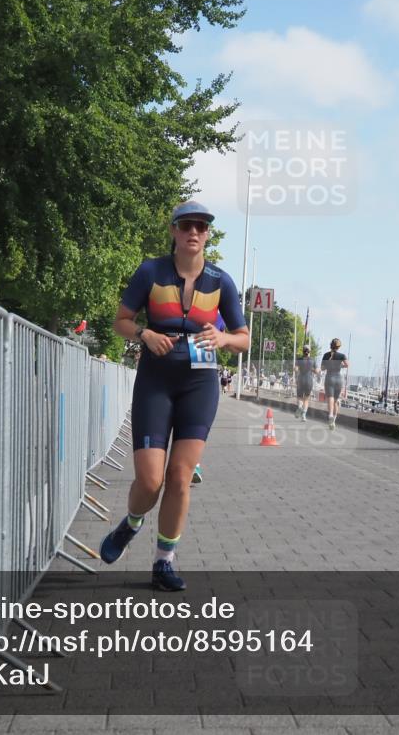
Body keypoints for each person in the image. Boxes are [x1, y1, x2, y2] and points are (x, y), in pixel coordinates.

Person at [100, 200, 250, 590]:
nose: (194, 233)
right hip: (156, 382)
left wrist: (223, 337)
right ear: (174, 231)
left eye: (201, 227)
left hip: (200, 385)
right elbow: (120, 321)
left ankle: (164, 561)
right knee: (150, 482)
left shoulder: (221, 281)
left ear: (207, 234)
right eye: (187, 226)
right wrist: (145, 334)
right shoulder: (151, 272)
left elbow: (243, 338)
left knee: (180, 478)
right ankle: (130, 524)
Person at [320, 338, 349, 429]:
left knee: (330, 398)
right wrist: (340, 365)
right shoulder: (342, 355)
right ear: (339, 347)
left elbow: (322, 368)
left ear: (330, 345)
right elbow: (347, 365)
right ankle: (334, 420)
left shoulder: (326, 355)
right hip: (338, 378)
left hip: (329, 377)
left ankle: (331, 415)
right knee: (336, 400)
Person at [294, 346, 318, 420]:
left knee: (300, 397)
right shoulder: (313, 360)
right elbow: (317, 372)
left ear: (303, 351)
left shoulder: (299, 359)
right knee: (306, 399)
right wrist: (312, 369)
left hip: (301, 380)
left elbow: (296, 369)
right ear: (309, 351)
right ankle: (304, 414)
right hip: (309, 381)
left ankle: (300, 408)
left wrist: (296, 369)